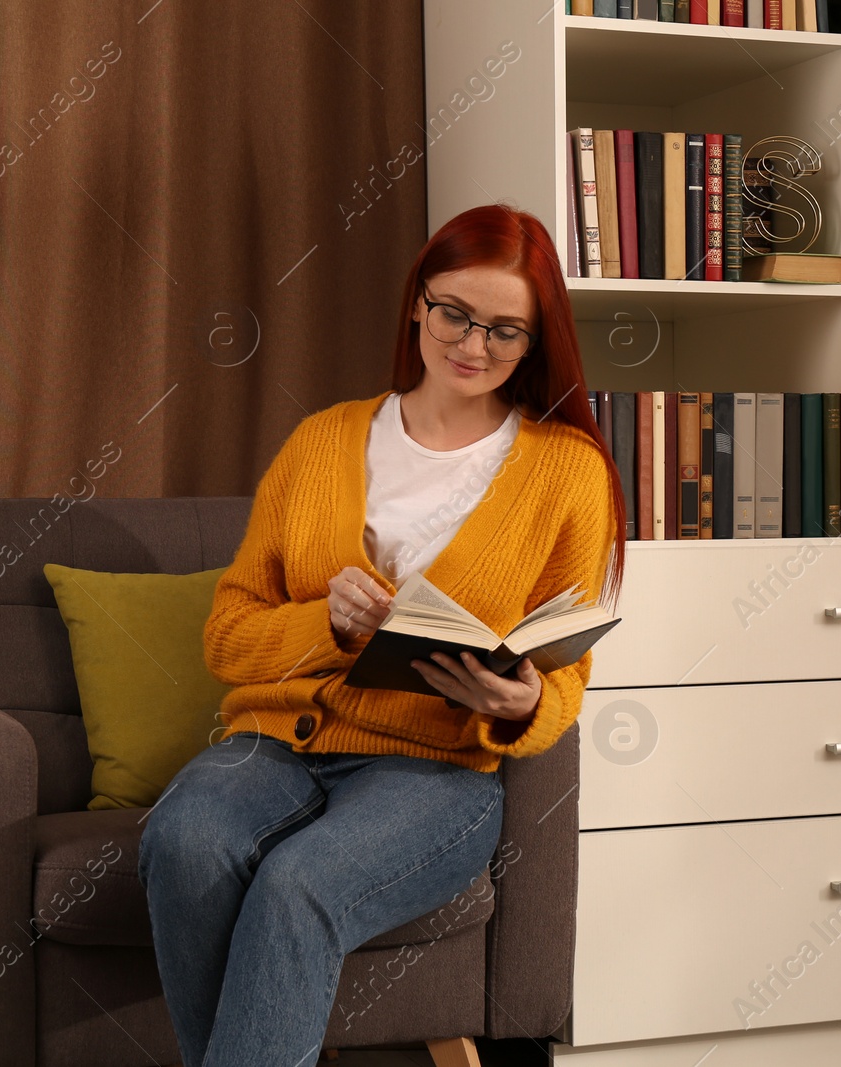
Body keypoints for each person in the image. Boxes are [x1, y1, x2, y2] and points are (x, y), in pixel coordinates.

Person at [135, 204, 627, 1067]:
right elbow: (228, 632)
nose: (474, 345)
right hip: (277, 744)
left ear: (535, 338)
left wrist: (520, 702)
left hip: (434, 771)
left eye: (506, 331)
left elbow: (565, 670)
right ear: (418, 302)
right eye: (455, 314)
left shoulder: (568, 471)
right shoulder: (322, 441)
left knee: (299, 884)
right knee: (183, 839)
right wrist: (322, 622)